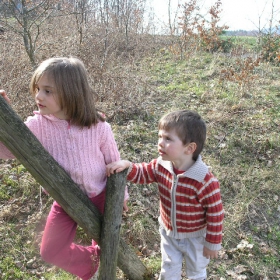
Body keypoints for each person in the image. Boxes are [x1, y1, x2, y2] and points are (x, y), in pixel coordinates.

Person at [0, 57, 128, 280]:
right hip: (66, 199)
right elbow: (9, 151)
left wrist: (121, 197)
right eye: (38, 88)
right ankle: (91, 266)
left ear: (71, 92)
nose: (39, 96)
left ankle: (101, 270)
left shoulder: (98, 126)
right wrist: (5, 123)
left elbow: (114, 162)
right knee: (50, 250)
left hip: (102, 195)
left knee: (105, 244)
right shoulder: (37, 125)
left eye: (48, 91)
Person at [106, 109, 224, 280]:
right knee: (168, 272)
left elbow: (215, 213)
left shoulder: (204, 180)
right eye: (160, 137)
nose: (160, 143)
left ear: (189, 148)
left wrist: (212, 243)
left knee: (196, 273)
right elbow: (143, 173)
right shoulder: (161, 166)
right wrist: (128, 166)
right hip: (169, 233)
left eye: (168, 139)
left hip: (195, 237)